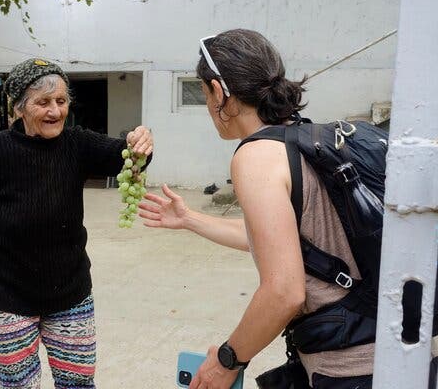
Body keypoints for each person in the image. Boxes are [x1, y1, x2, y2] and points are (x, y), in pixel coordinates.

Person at [139, 29, 373, 389]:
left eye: (204, 95)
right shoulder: (305, 139)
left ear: (218, 92)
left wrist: (227, 360)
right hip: (388, 353)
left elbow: (284, 291)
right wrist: (189, 219)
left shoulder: (255, 156)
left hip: (346, 368)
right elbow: (282, 241)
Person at [0, 58, 153, 389]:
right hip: (6, 296)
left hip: (69, 294)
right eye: (43, 102)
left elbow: (129, 157)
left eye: (61, 101)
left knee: (78, 384)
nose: (55, 111)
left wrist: (141, 141)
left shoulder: (77, 144)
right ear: (18, 108)